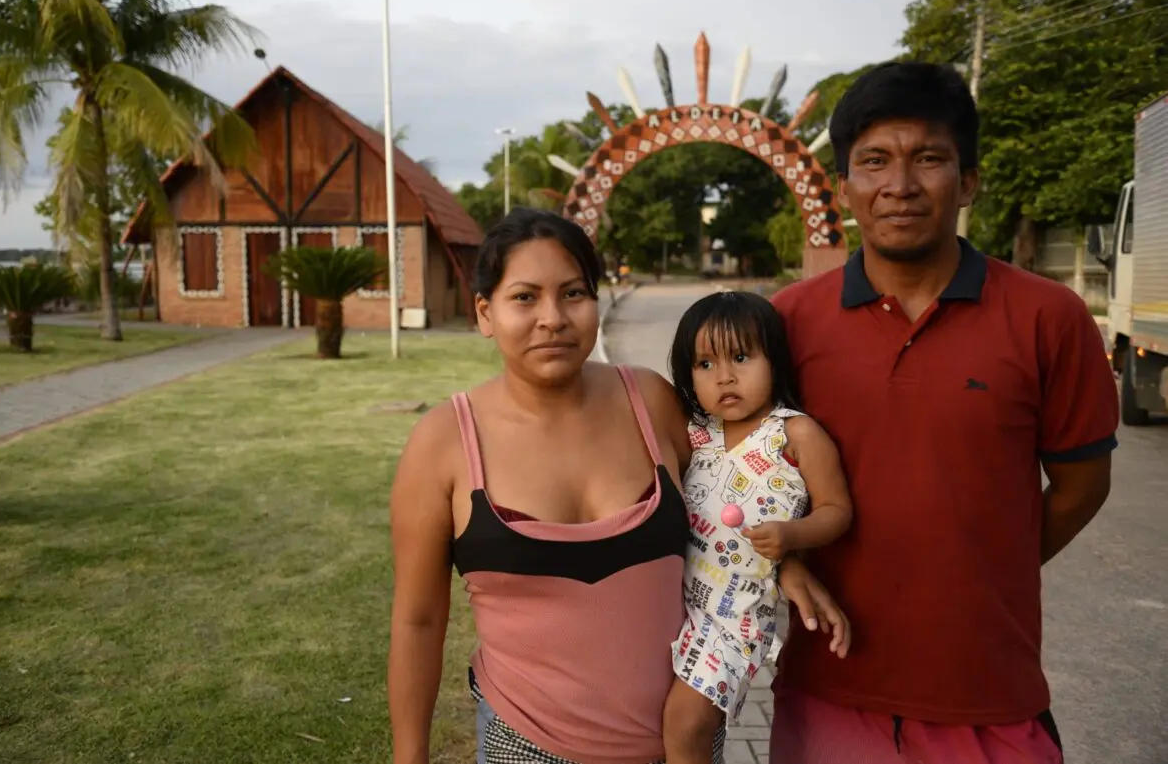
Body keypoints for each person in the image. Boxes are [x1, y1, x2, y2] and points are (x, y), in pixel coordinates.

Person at [387, 207, 849, 764]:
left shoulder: (650, 403)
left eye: (574, 293)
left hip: (681, 746)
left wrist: (786, 558)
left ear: (597, 304)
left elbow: (726, 492)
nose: (553, 317)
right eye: (525, 297)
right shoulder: (443, 444)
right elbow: (418, 620)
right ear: (485, 313)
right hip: (526, 746)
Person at [768, 61, 1120, 763]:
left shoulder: (1048, 318)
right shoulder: (784, 324)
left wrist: (981, 565)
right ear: (844, 189)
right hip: (827, 695)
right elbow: (740, 481)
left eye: (927, 158)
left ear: (967, 181)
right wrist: (786, 566)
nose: (899, 185)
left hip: (989, 697)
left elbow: (1082, 487)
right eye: (873, 161)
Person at [660, 290, 853, 764]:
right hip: (672, 605)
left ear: (775, 359)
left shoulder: (796, 433)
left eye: (741, 357)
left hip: (737, 614)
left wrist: (791, 538)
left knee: (686, 727)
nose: (724, 376)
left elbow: (836, 509)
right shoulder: (696, 434)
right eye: (704, 365)